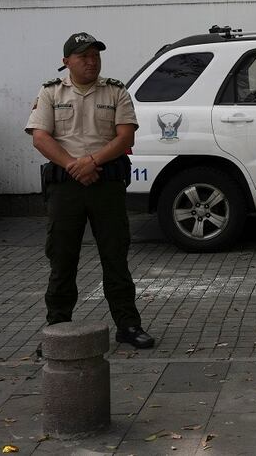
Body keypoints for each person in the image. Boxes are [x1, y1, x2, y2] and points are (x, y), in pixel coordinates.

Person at [25, 32, 155, 349]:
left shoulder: (116, 92)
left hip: (105, 185)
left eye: (95, 55)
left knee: (115, 258)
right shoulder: (50, 93)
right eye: (83, 56)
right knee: (62, 260)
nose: (91, 61)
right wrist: (74, 165)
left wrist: (91, 161)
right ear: (66, 62)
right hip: (66, 188)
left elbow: (126, 138)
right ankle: (57, 330)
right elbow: (40, 137)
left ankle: (128, 325)